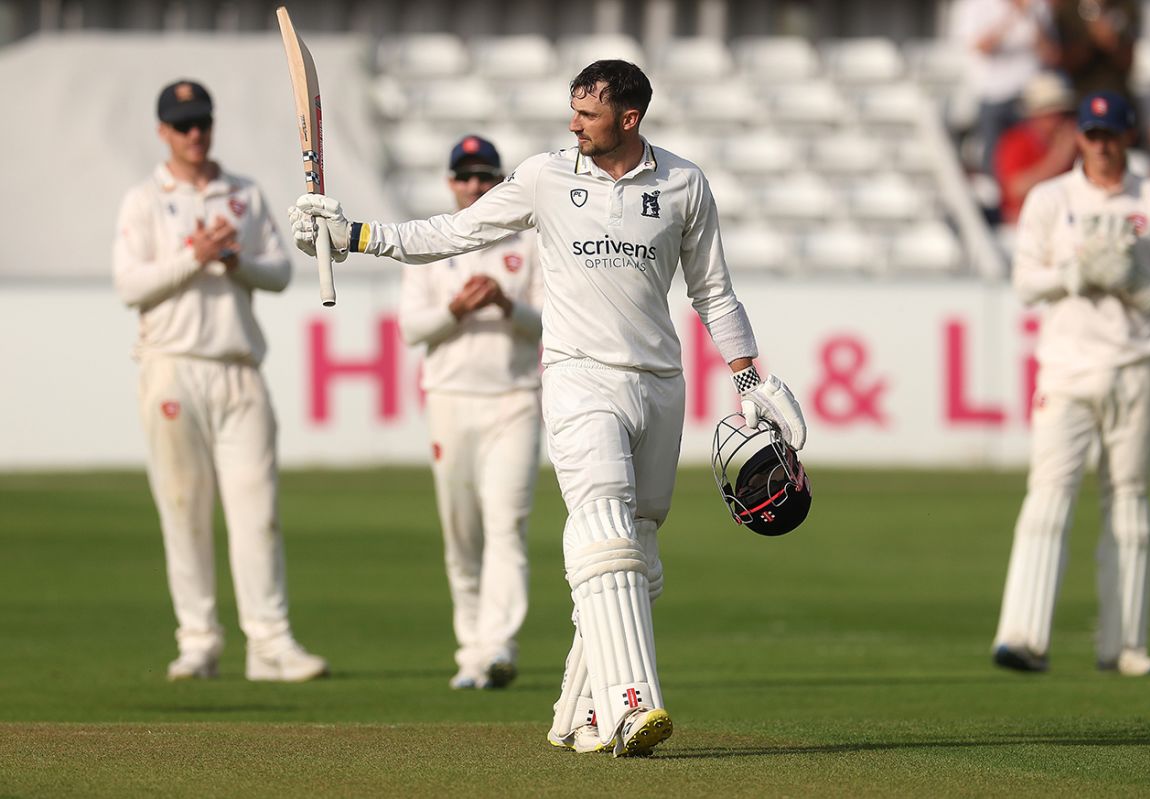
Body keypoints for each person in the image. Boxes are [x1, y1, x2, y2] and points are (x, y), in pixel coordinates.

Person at [290, 60, 806, 756]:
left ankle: (579, 712)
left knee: (639, 552)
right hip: (576, 376)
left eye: (587, 115)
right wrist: (353, 236)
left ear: (629, 118)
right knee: (602, 521)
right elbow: (454, 232)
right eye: (571, 110)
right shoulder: (545, 176)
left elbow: (713, 292)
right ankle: (632, 705)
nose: (572, 124)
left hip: (658, 382)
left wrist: (749, 380)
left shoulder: (684, 183)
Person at [113, 79, 327, 683]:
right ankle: (200, 641)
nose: (195, 133)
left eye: (202, 121)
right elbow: (130, 285)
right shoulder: (143, 200)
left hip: (238, 368)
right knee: (185, 509)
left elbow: (281, 272)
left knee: (256, 511)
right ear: (163, 131)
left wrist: (234, 261)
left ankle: (270, 645)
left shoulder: (243, 193)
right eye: (182, 124)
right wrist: (195, 255)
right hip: (172, 366)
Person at [993, 90, 1150, 676]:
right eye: (1091, 135)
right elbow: (1026, 282)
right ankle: (1023, 637)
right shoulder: (1051, 199)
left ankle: (1125, 645)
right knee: (1049, 495)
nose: (1101, 146)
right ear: (1080, 137)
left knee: (1128, 499)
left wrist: (1147, 283)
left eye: (1110, 135)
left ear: (1127, 136)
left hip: (1136, 363)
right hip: (1066, 366)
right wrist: (1075, 272)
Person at [398, 135, 543, 690]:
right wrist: (457, 308)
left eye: (487, 177)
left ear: (502, 183)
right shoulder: (433, 240)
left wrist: (505, 304)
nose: (476, 187)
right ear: (450, 182)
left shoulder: (527, 243)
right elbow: (413, 328)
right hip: (450, 399)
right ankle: (470, 650)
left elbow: (552, 323)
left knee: (506, 522)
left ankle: (498, 646)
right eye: (466, 177)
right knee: (462, 533)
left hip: (514, 399)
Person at [951, 0, 1057, 176]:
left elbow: (1051, 53)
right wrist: (1013, 15)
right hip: (993, 95)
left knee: (1032, 156)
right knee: (994, 162)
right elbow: (982, 47)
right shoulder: (974, 5)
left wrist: (1032, 18)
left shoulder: (1039, 5)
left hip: (1031, 96)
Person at [993, 71, 1079, 226]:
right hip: (1024, 224)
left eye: (1064, 114)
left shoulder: (1079, 141)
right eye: (1051, 114)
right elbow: (1016, 189)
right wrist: (1059, 158)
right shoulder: (1015, 142)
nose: (1059, 121)